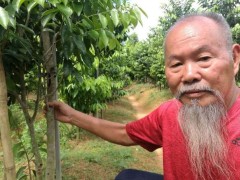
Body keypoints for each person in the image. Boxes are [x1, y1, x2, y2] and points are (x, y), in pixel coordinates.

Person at [45, 12, 240, 180]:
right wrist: (71, 116)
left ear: (235, 58)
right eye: (176, 65)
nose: (189, 75)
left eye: (204, 59)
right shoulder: (172, 112)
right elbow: (124, 133)